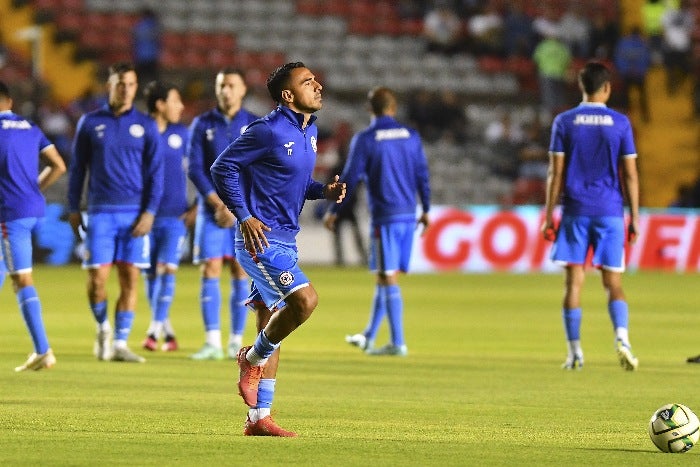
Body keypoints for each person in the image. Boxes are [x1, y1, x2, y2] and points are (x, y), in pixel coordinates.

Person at [210, 62, 346, 437]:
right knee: (304, 302)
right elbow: (222, 168)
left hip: (286, 237)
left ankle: (258, 419)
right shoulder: (267, 130)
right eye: (307, 82)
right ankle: (250, 358)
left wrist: (324, 192)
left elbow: (295, 184)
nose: (317, 84)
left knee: (272, 323)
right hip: (261, 239)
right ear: (288, 95)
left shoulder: (309, 130)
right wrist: (244, 215)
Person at [540, 61, 640, 372]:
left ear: (581, 87)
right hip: (610, 212)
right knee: (613, 283)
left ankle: (575, 353)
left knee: (574, 284)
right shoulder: (621, 123)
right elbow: (631, 174)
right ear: (607, 88)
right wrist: (634, 217)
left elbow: (555, 172)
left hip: (575, 211)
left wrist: (548, 215)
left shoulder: (564, 121)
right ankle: (622, 339)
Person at [68, 62, 163, 363]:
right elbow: (77, 170)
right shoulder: (90, 122)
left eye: (131, 84)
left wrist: (149, 212)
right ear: (110, 85)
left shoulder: (146, 125)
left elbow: (156, 174)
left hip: (135, 214)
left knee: (130, 279)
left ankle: (121, 343)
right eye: (120, 83)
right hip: (100, 213)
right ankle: (103, 329)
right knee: (97, 277)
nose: (126, 89)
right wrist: (73, 207)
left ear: (136, 88)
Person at [325, 86, 431, 357]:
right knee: (388, 276)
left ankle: (397, 342)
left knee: (386, 277)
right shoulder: (411, 135)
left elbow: (350, 177)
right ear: (393, 108)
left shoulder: (366, 138)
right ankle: (369, 335)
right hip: (408, 214)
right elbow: (422, 173)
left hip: (385, 215)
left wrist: (335, 210)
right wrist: (427, 208)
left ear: (369, 109)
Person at [187, 68, 259, 360]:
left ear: (242, 90)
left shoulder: (255, 124)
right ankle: (212, 341)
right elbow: (194, 167)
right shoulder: (202, 123)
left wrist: (235, 206)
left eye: (231, 85)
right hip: (211, 211)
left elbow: (258, 169)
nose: (225, 90)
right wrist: (217, 203)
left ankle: (234, 341)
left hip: (243, 213)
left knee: (239, 271)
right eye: (221, 85)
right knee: (210, 269)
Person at [0, 80, 66, 371]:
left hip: (7, 213)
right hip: (27, 210)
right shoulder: (30, 128)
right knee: (17, 276)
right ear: (9, 102)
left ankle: (43, 350)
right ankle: (42, 350)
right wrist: (34, 190)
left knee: (21, 279)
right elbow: (59, 165)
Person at [140, 81, 196, 352]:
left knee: (167, 270)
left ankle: (153, 330)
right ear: (160, 104)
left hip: (176, 217)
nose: (181, 106)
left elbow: (200, 170)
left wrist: (197, 205)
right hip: (143, 218)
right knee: (150, 274)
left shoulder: (182, 135)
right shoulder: (139, 132)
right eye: (176, 100)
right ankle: (167, 331)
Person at [613, 26, 652, 122]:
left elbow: (618, 58)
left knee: (628, 97)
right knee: (638, 96)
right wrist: (638, 71)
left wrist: (626, 70)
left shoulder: (624, 43)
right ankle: (644, 116)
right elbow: (646, 59)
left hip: (628, 74)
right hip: (636, 74)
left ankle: (629, 115)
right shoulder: (642, 44)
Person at [131, 8, 161, 87]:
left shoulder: (139, 25)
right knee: (153, 77)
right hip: (152, 56)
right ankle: (156, 93)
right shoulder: (155, 26)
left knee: (138, 78)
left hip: (140, 56)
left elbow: (134, 41)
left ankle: (137, 94)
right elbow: (159, 41)